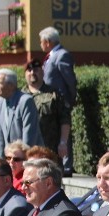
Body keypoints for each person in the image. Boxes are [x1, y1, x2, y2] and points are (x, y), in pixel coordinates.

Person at [39, 26, 76, 174]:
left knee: (65, 133)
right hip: (50, 102)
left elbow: (70, 80)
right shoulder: (51, 55)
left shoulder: (62, 55)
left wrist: (70, 99)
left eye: (41, 41)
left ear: (47, 42)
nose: (40, 44)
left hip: (61, 100)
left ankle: (67, 165)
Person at [22, 58, 71, 161]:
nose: (32, 73)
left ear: (42, 71)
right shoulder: (20, 96)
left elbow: (65, 119)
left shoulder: (53, 94)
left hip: (49, 151)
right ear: (25, 74)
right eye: (29, 70)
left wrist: (63, 143)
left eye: (36, 70)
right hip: (26, 152)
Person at [0, 69, 42, 158]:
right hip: (11, 159)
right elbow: (0, 136)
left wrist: (22, 160)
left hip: (29, 158)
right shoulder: (0, 102)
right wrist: (0, 162)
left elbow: (29, 136)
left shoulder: (25, 101)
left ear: (11, 86)